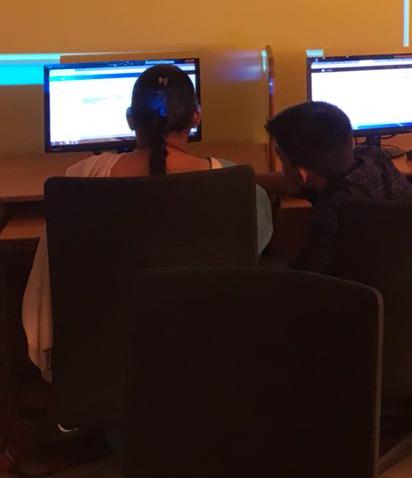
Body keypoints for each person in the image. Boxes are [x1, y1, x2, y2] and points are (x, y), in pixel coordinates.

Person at [21, 64, 274, 381]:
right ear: (196, 117)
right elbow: (249, 257)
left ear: (130, 119)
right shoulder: (238, 185)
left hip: (106, 359)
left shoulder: (81, 177)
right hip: (208, 355)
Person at [264, 101, 412, 274]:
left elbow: (306, 278)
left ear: (301, 174)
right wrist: (249, 177)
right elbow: (297, 185)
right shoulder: (372, 156)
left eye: (282, 161)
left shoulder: (332, 212)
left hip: (366, 286)